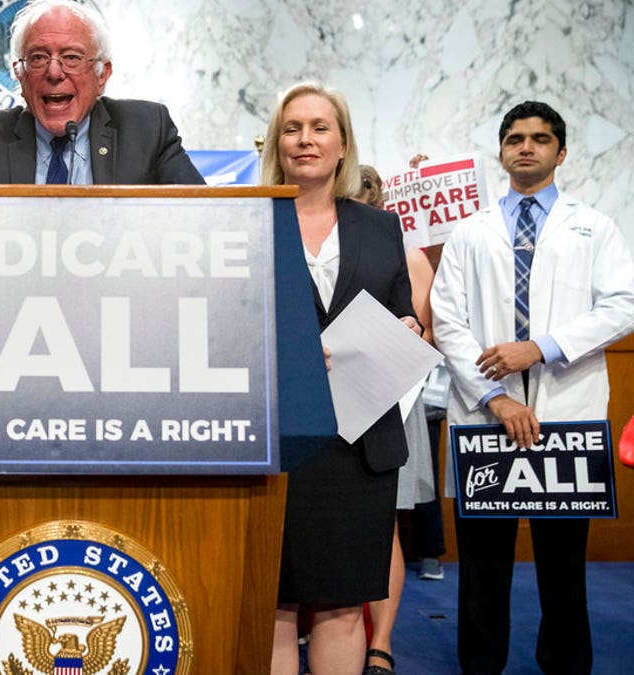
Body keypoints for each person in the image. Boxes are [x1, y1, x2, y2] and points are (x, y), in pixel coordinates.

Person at [431, 100, 634, 675]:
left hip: (566, 412)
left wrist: (540, 347)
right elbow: (448, 318)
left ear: (560, 152)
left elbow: (623, 304)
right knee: (483, 561)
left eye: (540, 139)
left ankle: (566, 664)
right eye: (516, 138)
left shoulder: (595, 227)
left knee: (564, 559)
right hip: (485, 414)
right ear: (501, 152)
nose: (527, 146)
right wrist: (494, 396)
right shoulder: (470, 232)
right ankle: (481, 664)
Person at [261, 84, 420, 675]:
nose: (306, 140)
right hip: (280, 442)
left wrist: (408, 326)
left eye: (320, 127)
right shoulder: (251, 221)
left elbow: (405, 310)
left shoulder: (381, 229)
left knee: (344, 607)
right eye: (293, 127)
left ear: (343, 142)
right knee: (275, 606)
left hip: (361, 445)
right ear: (278, 141)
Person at [0, 0, 204, 185]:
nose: (54, 72)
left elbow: (202, 220)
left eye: (72, 57)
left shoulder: (146, 128)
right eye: (37, 58)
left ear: (101, 74)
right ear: (19, 75)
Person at [355, 164, 437, 675]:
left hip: (389, 401)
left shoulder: (407, 255)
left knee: (383, 528)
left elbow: (421, 335)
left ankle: (380, 644)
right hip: (330, 402)